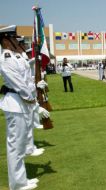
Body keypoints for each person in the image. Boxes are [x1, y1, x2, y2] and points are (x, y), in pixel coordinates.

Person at [0, 26, 38, 190]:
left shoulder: (14, 57)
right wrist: (30, 98)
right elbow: (18, 83)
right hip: (16, 102)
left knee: (20, 144)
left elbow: (26, 80)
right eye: (14, 38)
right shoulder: (6, 58)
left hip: (20, 102)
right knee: (15, 145)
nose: (17, 41)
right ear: (6, 40)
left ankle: (21, 179)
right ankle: (17, 184)